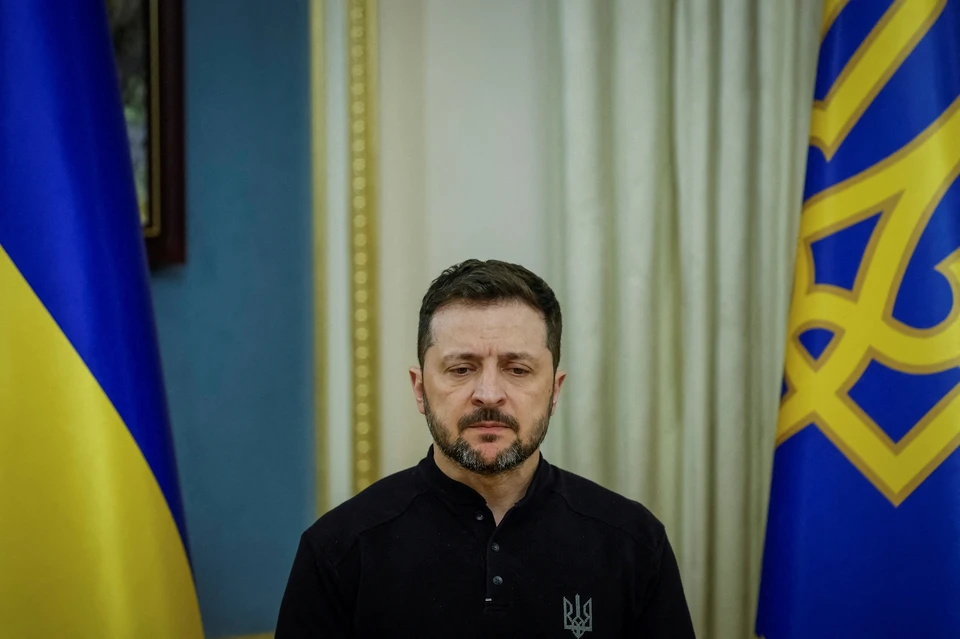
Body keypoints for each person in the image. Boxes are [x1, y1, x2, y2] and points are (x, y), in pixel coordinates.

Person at [276, 259, 695, 638]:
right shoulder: (337, 550)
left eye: (518, 369)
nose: (489, 394)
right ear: (420, 389)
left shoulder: (635, 543)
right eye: (461, 369)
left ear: (554, 390)